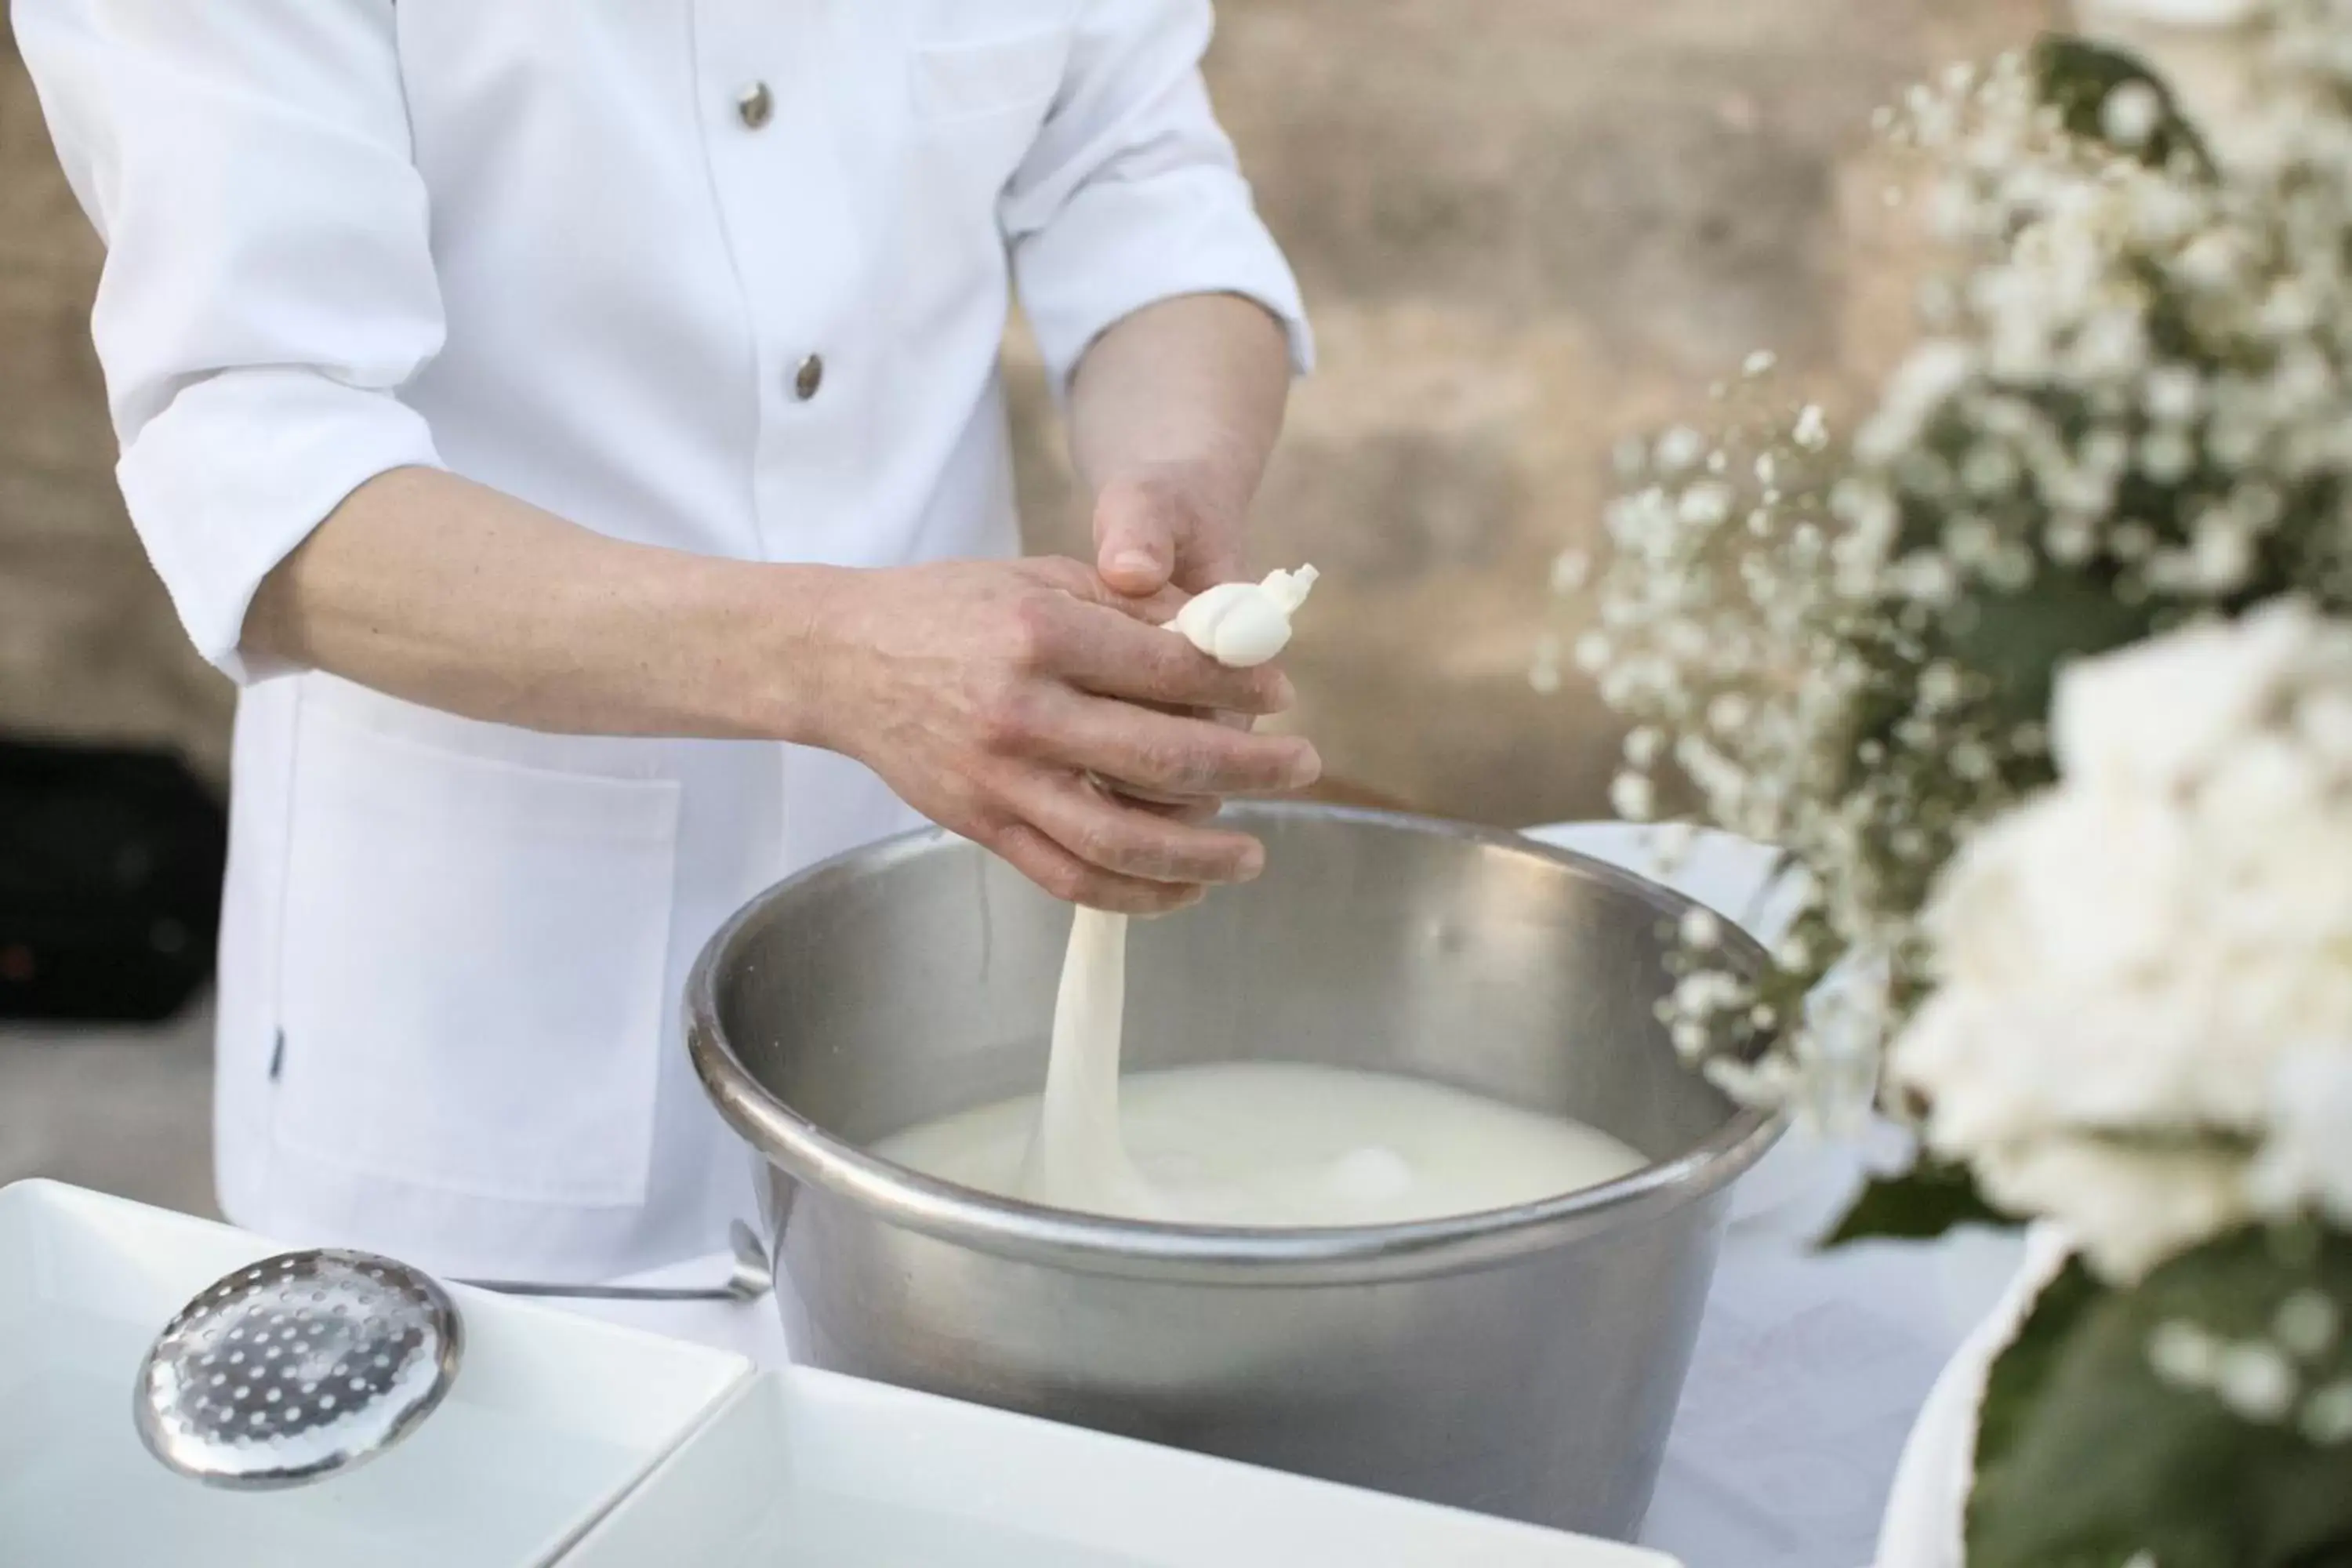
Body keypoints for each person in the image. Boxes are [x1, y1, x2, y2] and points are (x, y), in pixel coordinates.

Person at [14, 0, 1318, 1286]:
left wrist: (1178, 482)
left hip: (931, 959)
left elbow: (1139, 186)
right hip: (488, 1029)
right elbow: (265, 477)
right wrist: (836, 660)